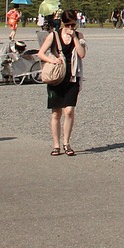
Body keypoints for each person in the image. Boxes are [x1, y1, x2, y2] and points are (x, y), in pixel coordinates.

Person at [37, 10, 86, 156]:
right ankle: (56, 145)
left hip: (72, 76)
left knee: (69, 110)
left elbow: (82, 54)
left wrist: (75, 39)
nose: (71, 28)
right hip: (57, 77)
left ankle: (67, 143)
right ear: (64, 23)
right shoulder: (54, 35)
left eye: (74, 25)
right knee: (56, 113)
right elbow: (40, 53)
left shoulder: (79, 36)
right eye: (69, 25)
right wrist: (52, 60)